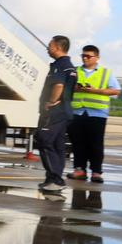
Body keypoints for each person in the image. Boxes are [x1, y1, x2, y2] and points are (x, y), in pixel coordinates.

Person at [68, 45, 118, 181]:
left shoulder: (106, 72)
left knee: (95, 144)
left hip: (97, 113)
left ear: (97, 58)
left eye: (88, 56)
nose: (85, 58)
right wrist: (76, 88)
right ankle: (79, 169)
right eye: (83, 56)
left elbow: (116, 90)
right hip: (77, 111)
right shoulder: (75, 71)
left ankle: (96, 172)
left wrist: (95, 90)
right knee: (78, 143)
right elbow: (67, 87)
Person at [35, 35, 75, 195]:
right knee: (57, 146)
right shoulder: (70, 66)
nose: (47, 48)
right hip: (64, 112)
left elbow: (58, 85)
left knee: (45, 142)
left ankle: (55, 179)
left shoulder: (60, 65)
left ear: (58, 47)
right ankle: (53, 178)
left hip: (54, 112)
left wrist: (51, 102)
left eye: (50, 45)